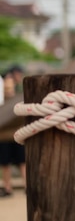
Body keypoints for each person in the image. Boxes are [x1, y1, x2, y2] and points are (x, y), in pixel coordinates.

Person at [0, 64, 26, 197]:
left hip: (16, 134)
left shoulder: (18, 100)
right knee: (6, 163)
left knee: (22, 162)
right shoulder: (3, 102)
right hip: (4, 136)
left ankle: (26, 185)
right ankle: (8, 187)